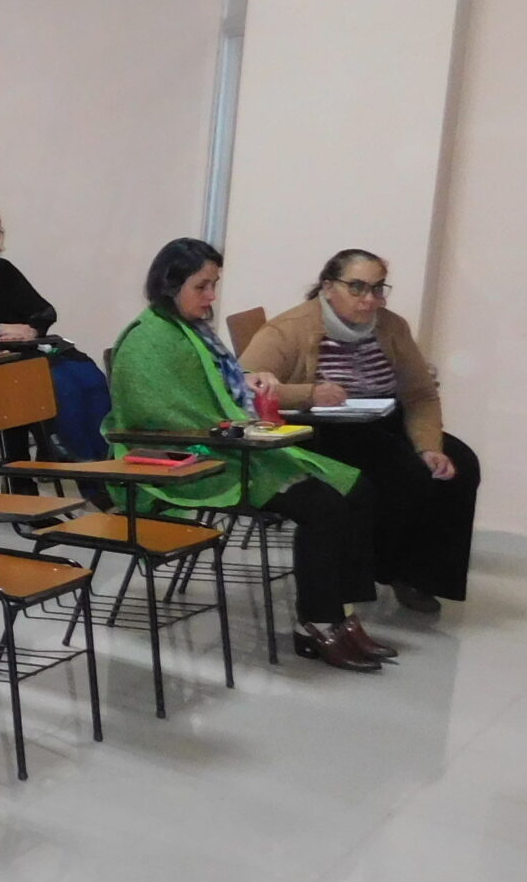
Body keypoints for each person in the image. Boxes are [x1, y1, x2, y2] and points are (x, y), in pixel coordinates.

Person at [108, 239, 391, 671]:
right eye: (202, 286)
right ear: (171, 284)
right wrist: (234, 428)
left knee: (359, 488)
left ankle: (342, 611)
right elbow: (155, 416)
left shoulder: (189, 331)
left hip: (229, 447)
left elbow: (216, 388)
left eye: (214, 285)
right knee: (324, 506)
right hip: (193, 462)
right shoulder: (147, 340)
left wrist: (248, 380)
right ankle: (315, 621)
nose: (211, 297)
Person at [236, 248, 479, 615]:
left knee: (460, 464)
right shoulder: (289, 329)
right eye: (358, 288)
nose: (370, 300)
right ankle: (388, 568)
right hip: (323, 430)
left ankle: (421, 575)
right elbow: (242, 386)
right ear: (328, 287)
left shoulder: (392, 326)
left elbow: (420, 394)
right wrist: (308, 393)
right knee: (405, 474)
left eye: (378, 289)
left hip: (382, 419)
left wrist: (430, 446)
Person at [0, 200, 113, 460]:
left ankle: (104, 457)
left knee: (88, 375)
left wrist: (31, 330)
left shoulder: (3, 269)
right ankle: (71, 456)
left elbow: (45, 311)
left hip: (21, 349)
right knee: (57, 383)